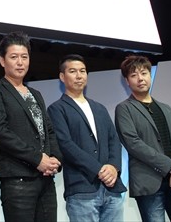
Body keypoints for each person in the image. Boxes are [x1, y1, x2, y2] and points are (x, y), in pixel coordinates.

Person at [0, 31, 62, 222]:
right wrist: (37, 159)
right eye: (14, 57)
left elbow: (48, 130)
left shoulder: (35, 93)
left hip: (45, 179)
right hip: (17, 180)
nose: (20, 62)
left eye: (24, 57)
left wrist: (56, 160)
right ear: (2, 60)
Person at [47, 54, 126, 222]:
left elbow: (114, 140)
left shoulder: (100, 108)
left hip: (111, 188)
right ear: (62, 77)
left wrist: (113, 167)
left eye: (82, 71)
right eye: (73, 71)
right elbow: (66, 145)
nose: (79, 76)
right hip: (82, 189)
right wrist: (98, 170)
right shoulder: (57, 109)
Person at [115, 55, 171, 222]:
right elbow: (133, 143)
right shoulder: (124, 109)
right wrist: (170, 166)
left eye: (144, 73)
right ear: (127, 81)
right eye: (134, 75)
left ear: (150, 76)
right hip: (149, 184)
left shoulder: (165, 108)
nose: (140, 78)